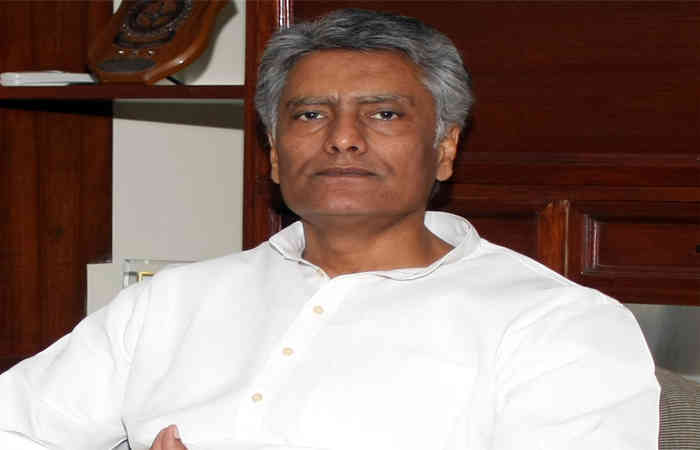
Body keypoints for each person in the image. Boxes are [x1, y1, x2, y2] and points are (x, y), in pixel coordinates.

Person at [0, 8, 659, 450]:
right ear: (273, 152)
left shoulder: (556, 326)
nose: (343, 139)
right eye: (310, 114)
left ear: (445, 148)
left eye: (384, 114)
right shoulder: (171, 304)